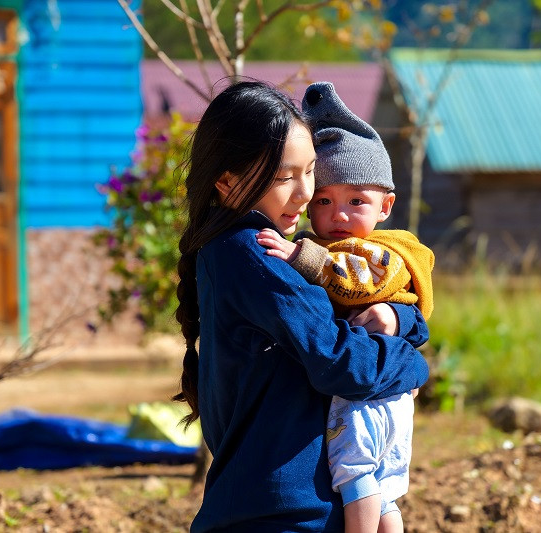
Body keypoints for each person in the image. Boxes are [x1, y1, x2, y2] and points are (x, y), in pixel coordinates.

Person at [172, 79, 430, 533]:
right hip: (282, 514)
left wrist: (400, 316)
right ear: (227, 181)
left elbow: (351, 312)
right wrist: (414, 365)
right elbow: (342, 362)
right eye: (283, 177)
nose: (305, 193)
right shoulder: (256, 254)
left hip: (271, 506)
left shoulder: (245, 246)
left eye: (310, 170)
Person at [256, 81, 435, 533]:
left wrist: (302, 257)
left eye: (357, 201)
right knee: (385, 491)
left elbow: (354, 284)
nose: (339, 215)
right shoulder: (331, 243)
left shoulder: (381, 252)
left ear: (386, 206)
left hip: (369, 392)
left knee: (356, 477)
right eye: (325, 201)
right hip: (385, 384)